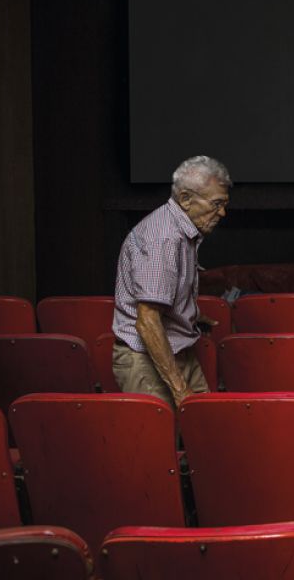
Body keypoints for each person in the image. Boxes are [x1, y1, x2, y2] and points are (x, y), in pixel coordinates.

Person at [111, 155, 231, 408]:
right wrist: (180, 389)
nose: (222, 212)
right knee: (158, 446)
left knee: (206, 429)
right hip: (147, 360)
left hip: (176, 350)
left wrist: (191, 314)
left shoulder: (182, 231)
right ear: (186, 199)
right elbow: (147, 321)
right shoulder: (163, 239)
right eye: (216, 203)